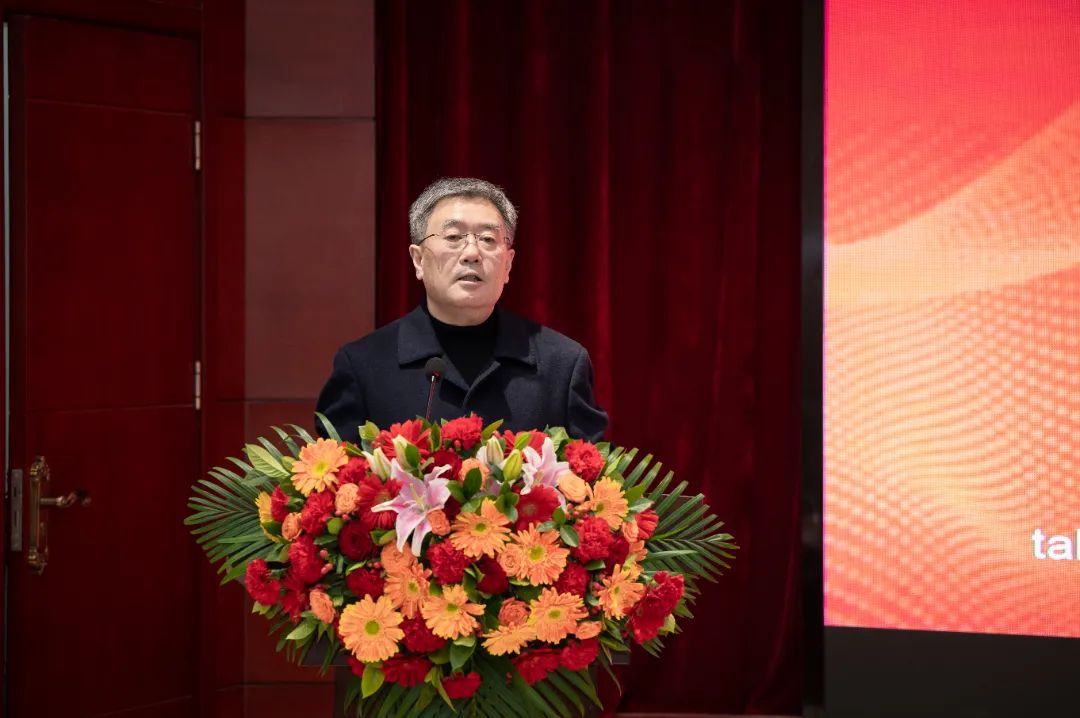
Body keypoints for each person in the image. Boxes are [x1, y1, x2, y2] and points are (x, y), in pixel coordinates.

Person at [315, 177, 608, 444]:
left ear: (508, 264)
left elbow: (590, 477)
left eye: (488, 239)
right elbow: (337, 477)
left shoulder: (562, 365)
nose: (471, 253)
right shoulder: (363, 366)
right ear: (418, 260)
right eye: (454, 237)